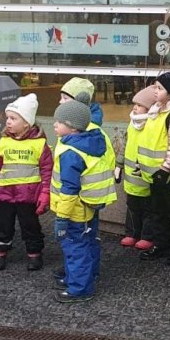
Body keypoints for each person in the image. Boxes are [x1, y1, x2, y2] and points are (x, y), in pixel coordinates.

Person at [51, 98, 116, 303]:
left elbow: (69, 189)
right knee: (88, 241)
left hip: (74, 210)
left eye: (59, 122)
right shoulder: (91, 142)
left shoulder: (71, 152)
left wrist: (62, 217)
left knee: (75, 247)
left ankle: (80, 288)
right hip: (89, 205)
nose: (54, 124)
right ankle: (85, 277)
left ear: (72, 127)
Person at [0, 93, 51, 272]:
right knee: (2, 225)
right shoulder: (4, 142)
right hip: (5, 194)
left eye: (13, 118)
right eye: (7, 117)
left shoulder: (39, 144)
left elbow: (47, 171)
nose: (8, 122)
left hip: (28, 195)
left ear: (26, 123)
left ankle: (34, 253)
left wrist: (45, 193)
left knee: (30, 226)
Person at [140, 70, 170, 263]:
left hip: (166, 174)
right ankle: (161, 244)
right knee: (157, 210)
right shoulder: (156, 110)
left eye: (159, 88)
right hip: (152, 172)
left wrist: (166, 169)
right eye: (155, 87)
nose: (155, 91)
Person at [118, 87, 160, 249]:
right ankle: (131, 233)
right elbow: (125, 145)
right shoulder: (132, 123)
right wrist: (119, 165)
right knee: (132, 206)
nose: (135, 108)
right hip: (131, 176)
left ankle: (147, 236)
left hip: (146, 175)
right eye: (134, 104)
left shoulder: (152, 125)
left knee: (149, 208)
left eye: (139, 105)